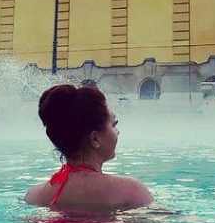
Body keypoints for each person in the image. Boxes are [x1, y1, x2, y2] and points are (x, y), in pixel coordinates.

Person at [25, 84, 153, 212]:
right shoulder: (132, 192)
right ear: (95, 139)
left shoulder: (34, 197)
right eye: (114, 124)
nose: (117, 132)